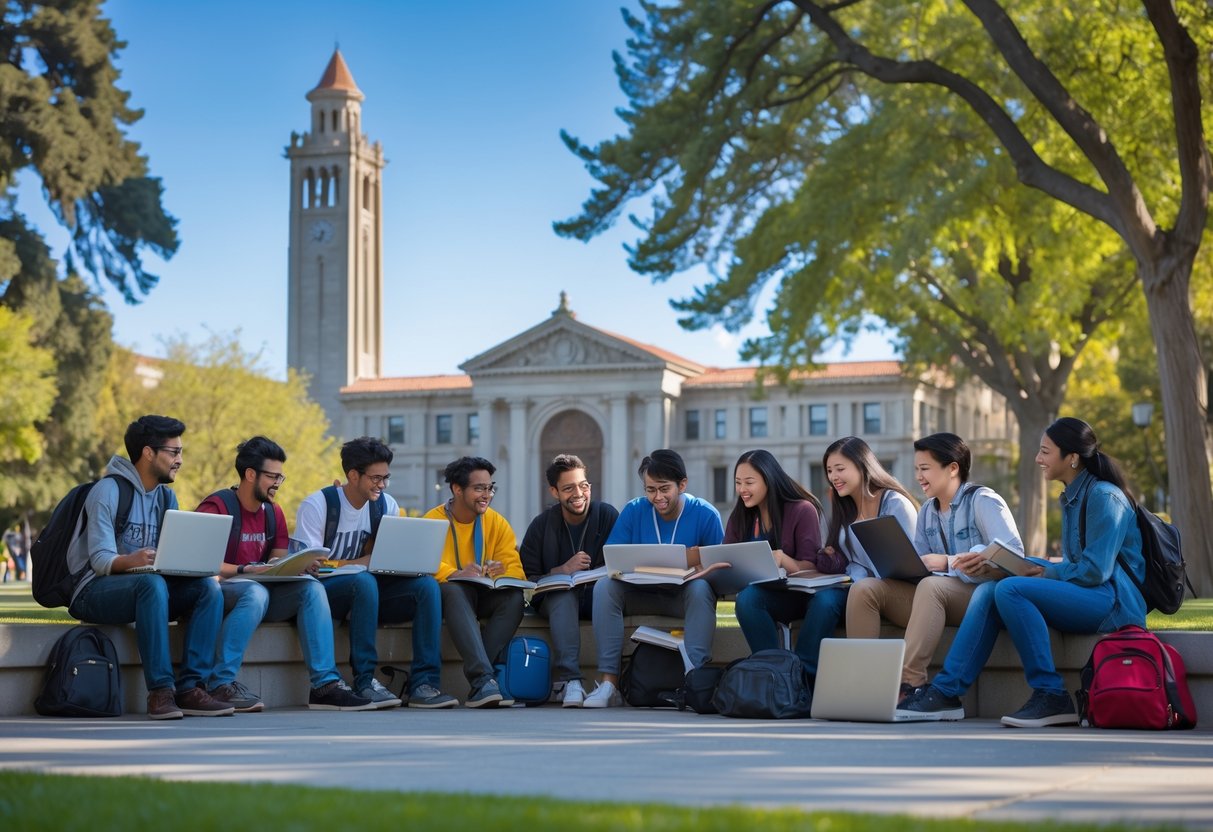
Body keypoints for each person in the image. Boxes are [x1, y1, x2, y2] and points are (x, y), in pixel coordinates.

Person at [899, 418, 1146, 727]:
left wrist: (1045, 571)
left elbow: (1096, 570)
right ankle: (946, 693)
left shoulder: (1104, 497)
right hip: (1088, 592)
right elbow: (1079, 565)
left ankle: (1051, 694)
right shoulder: (1072, 495)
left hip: (1113, 601)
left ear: (1072, 458)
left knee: (1009, 588)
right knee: (990, 590)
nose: (1038, 459)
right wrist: (1036, 566)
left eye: (1045, 452)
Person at [64, 415, 234, 719]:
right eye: (174, 452)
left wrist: (191, 565)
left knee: (208, 588)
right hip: (92, 591)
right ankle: (160, 692)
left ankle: (191, 688)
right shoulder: (108, 491)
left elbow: (172, 558)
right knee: (151, 584)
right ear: (148, 452)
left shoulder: (166, 496)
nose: (180, 460)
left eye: (181, 452)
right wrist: (134, 560)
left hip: (147, 589)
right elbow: (101, 560)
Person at [197, 436, 374, 712]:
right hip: (226, 591)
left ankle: (324, 685)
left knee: (310, 588)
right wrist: (246, 569)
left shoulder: (273, 512)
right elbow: (201, 562)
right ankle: (221, 683)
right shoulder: (217, 507)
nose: (278, 483)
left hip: (262, 591)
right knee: (254, 592)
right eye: (272, 476)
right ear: (250, 474)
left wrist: (298, 564)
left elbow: (276, 559)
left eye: (281, 476)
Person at [847, 433, 1023, 699]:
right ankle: (863, 686)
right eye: (917, 469)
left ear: (953, 468)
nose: (919, 476)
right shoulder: (927, 511)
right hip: (935, 599)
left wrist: (949, 561)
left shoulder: (983, 500)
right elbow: (921, 564)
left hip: (981, 599)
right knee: (866, 589)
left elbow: (1014, 556)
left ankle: (910, 684)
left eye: (925, 469)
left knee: (932, 586)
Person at [295, 436, 456, 709]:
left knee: (427, 587)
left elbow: (387, 558)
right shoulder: (318, 505)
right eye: (375, 478)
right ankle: (365, 680)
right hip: (325, 594)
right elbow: (311, 566)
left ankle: (424, 684)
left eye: (385, 478)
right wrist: (360, 562)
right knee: (363, 579)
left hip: (367, 591)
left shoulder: (386, 505)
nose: (381, 485)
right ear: (353, 475)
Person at [583, 449, 724, 708]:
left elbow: (719, 566)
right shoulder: (635, 510)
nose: (657, 497)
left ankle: (695, 682)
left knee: (701, 588)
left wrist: (699, 570)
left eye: (663, 488)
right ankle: (609, 684)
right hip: (641, 594)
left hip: (682, 596)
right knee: (604, 587)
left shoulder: (705, 514)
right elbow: (613, 559)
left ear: (682, 485)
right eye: (650, 490)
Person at [423, 456, 526, 708]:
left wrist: (500, 573)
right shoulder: (432, 521)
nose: (487, 495)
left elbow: (516, 570)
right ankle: (483, 679)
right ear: (457, 489)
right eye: (479, 488)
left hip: (485, 594)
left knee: (513, 598)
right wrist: (457, 572)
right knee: (453, 589)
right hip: (453, 596)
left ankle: (484, 681)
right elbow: (424, 565)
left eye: (490, 488)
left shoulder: (497, 522)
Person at [728, 449, 840, 676]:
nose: (742, 490)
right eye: (738, 483)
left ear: (768, 480)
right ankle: (772, 674)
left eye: (749, 482)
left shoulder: (801, 509)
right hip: (767, 594)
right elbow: (728, 554)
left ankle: (803, 677)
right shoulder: (741, 515)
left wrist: (782, 559)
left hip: (801, 595)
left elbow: (812, 565)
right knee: (748, 599)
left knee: (825, 602)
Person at [519, 454, 619, 707]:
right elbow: (528, 579)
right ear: (554, 492)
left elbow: (623, 560)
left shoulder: (607, 515)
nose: (578, 493)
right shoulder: (541, 526)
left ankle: (608, 684)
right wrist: (562, 570)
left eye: (583, 485)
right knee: (562, 594)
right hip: (556, 602)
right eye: (568, 488)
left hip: (598, 598)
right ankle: (570, 680)